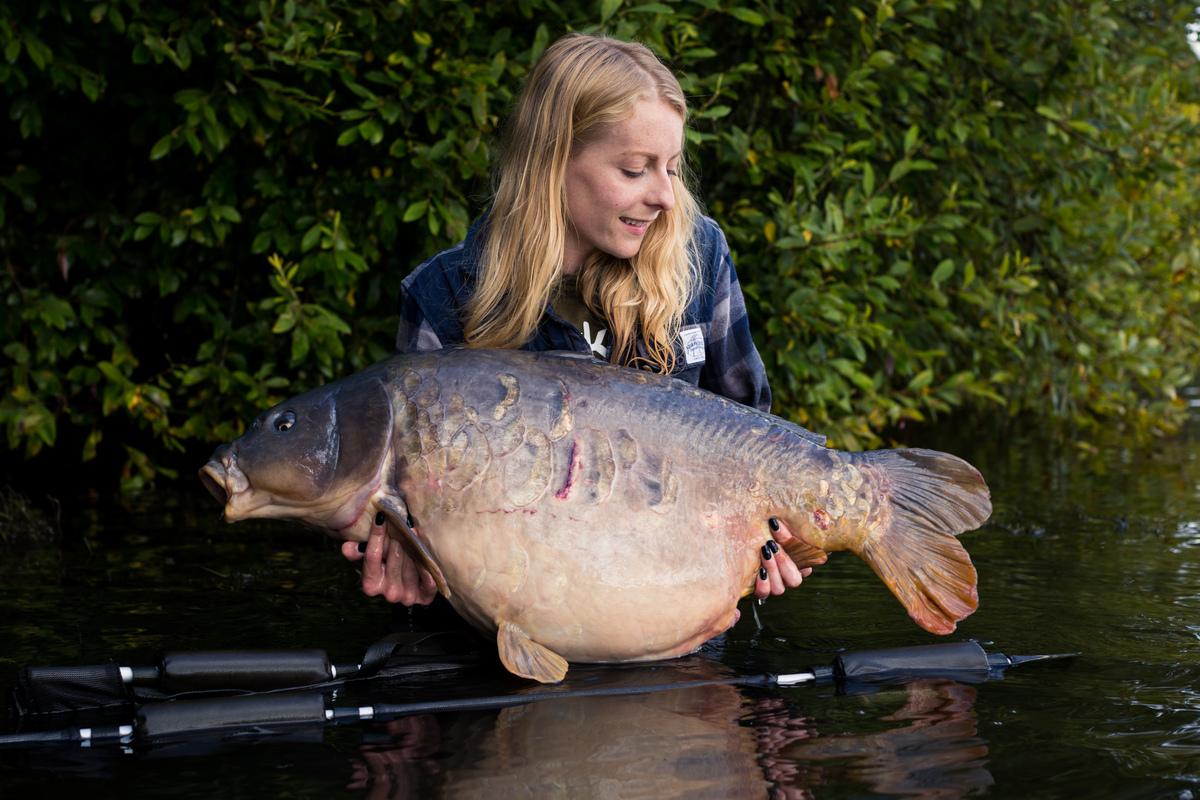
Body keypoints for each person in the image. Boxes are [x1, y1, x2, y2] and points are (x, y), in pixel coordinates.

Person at [342, 33, 810, 607]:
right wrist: (407, 558)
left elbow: (754, 440)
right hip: (511, 629)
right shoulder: (443, 297)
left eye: (670, 167)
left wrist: (771, 541)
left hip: (674, 613)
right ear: (554, 160)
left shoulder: (698, 254)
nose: (665, 195)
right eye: (636, 169)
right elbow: (414, 505)